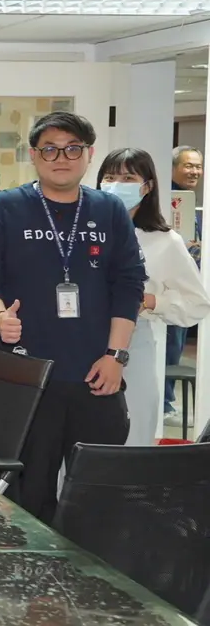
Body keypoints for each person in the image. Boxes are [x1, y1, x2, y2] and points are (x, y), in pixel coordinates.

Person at [0, 111, 145, 522]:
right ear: (34, 155)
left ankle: (91, 564)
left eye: (72, 149)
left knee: (99, 496)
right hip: (28, 375)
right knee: (29, 494)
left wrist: (116, 356)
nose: (61, 158)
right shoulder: (5, 207)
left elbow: (129, 285)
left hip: (96, 374)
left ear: (89, 154)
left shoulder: (109, 210)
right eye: (50, 149)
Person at [98, 148, 210, 445]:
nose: (116, 184)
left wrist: (150, 301)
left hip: (134, 345)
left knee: (132, 434)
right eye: (109, 177)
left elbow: (197, 304)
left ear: (147, 186)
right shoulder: (85, 232)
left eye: (128, 178)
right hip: (79, 342)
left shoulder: (164, 241)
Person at [166, 144, 203, 420]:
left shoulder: (190, 202)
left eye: (198, 166)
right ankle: (165, 404)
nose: (195, 172)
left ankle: (167, 401)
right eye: (188, 165)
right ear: (172, 168)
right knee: (169, 347)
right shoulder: (168, 200)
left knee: (175, 347)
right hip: (169, 288)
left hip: (186, 288)